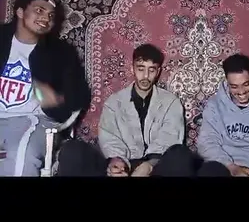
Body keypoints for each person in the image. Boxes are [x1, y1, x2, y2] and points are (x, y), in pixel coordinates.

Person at [0, 0, 91, 176]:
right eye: (39, 10)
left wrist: (57, 98)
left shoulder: (60, 52)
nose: (46, 18)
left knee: (23, 153)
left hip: (31, 119)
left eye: (51, 15)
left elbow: (80, 95)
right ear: (20, 12)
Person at [58, 43, 186, 177]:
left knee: (181, 155)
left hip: (157, 166)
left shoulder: (171, 102)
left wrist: (149, 165)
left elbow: (169, 139)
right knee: (72, 149)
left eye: (151, 70)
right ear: (132, 68)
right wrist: (117, 162)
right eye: (141, 69)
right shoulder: (114, 102)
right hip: (123, 165)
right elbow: (109, 137)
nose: (145, 76)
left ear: (158, 72)